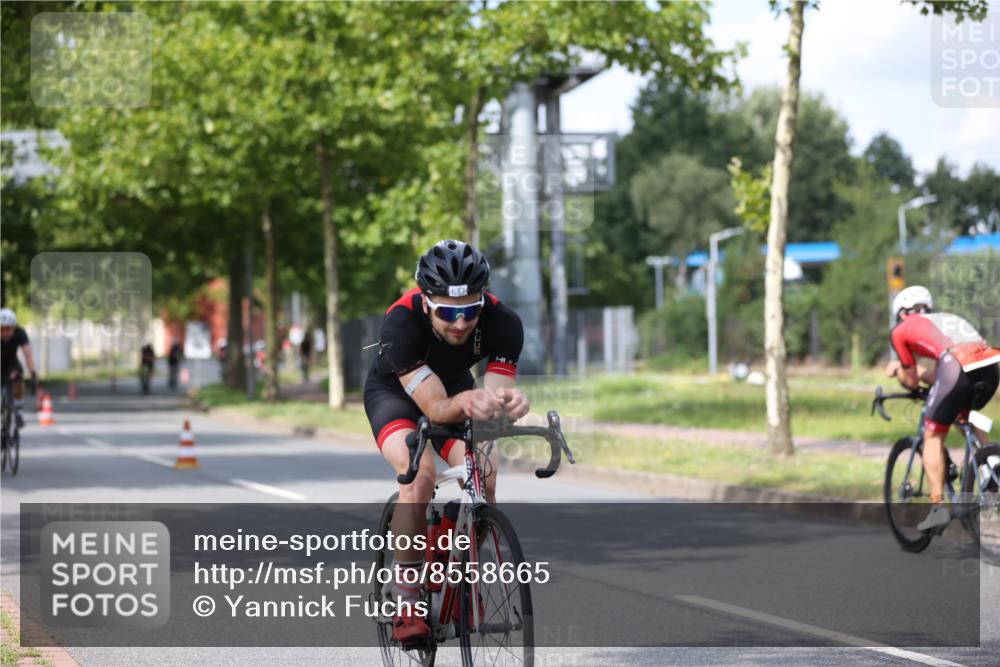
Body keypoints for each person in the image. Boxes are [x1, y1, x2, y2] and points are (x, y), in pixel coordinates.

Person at [363, 240, 530, 643]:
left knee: (483, 474)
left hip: (456, 390)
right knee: (418, 476)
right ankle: (407, 601)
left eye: (470, 311)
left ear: (483, 303)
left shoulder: (503, 322)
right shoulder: (401, 322)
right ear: (425, 302)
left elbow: (496, 390)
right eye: (448, 313)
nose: (459, 324)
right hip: (397, 396)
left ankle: (448, 567)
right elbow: (436, 408)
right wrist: (470, 402)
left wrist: (506, 402)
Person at [885, 286, 1000, 532]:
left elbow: (912, 381)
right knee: (967, 416)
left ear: (902, 313)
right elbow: (946, 371)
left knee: (932, 435)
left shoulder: (901, 329)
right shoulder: (946, 319)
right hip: (990, 366)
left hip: (956, 366)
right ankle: (990, 465)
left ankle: (937, 509)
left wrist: (896, 370)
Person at [0, 308, 37, 428]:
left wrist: (32, 374)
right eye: (2, 329)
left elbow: (28, 354)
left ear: (14, 328)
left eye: (8, 329)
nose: (5, 333)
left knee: (18, 381)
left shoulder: (20, 333)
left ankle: (19, 413)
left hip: (12, 364)